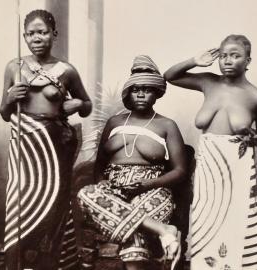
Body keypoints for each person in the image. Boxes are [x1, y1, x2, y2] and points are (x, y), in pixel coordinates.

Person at [164, 35, 257, 270]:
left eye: (235, 55)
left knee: (237, 223)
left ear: (248, 60)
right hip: (208, 169)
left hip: (238, 168)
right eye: (223, 56)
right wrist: (195, 60)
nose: (227, 61)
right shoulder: (208, 82)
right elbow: (169, 76)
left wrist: (254, 138)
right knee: (207, 222)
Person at [0, 9, 92, 270]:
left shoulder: (66, 70)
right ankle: (18, 263)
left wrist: (76, 105)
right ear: (24, 37)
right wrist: (10, 98)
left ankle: (50, 264)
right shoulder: (14, 66)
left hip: (55, 145)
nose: (36, 38)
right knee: (21, 199)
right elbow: (4, 114)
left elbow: (86, 105)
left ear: (54, 34)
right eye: (30, 33)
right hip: (25, 145)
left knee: (56, 200)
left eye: (42, 32)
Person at [77, 55, 186, 270]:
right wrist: (102, 183)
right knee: (86, 194)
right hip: (114, 189)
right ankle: (164, 230)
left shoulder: (166, 125)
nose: (141, 94)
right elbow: (100, 164)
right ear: (129, 92)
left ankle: (146, 245)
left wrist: (147, 185)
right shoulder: (114, 122)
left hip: (153, 189)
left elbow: (181, 170)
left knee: (134, 226)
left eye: (147, 89)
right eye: (136, 89)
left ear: (156, 93)